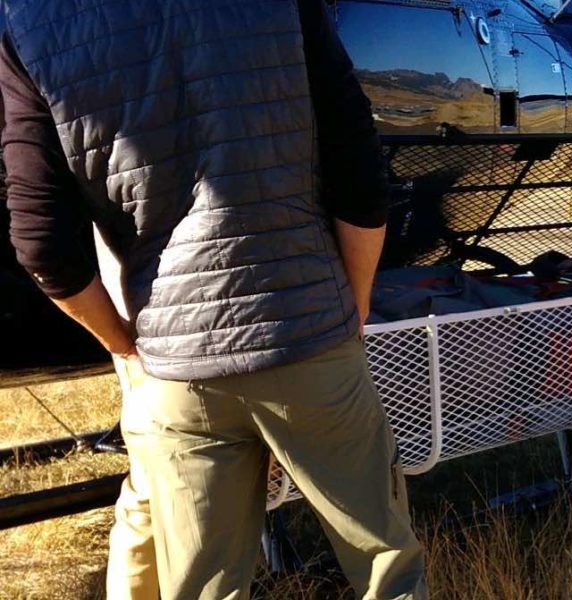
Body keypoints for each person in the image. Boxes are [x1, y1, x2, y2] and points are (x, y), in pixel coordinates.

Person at [0, 1, 427, 599]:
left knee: (201, 587)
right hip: (308, 332)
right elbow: (358, 169)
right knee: (388, 568)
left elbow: (41, 242)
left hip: (178, 368)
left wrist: (125, 344)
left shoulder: (28, 23)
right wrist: (352, 303)